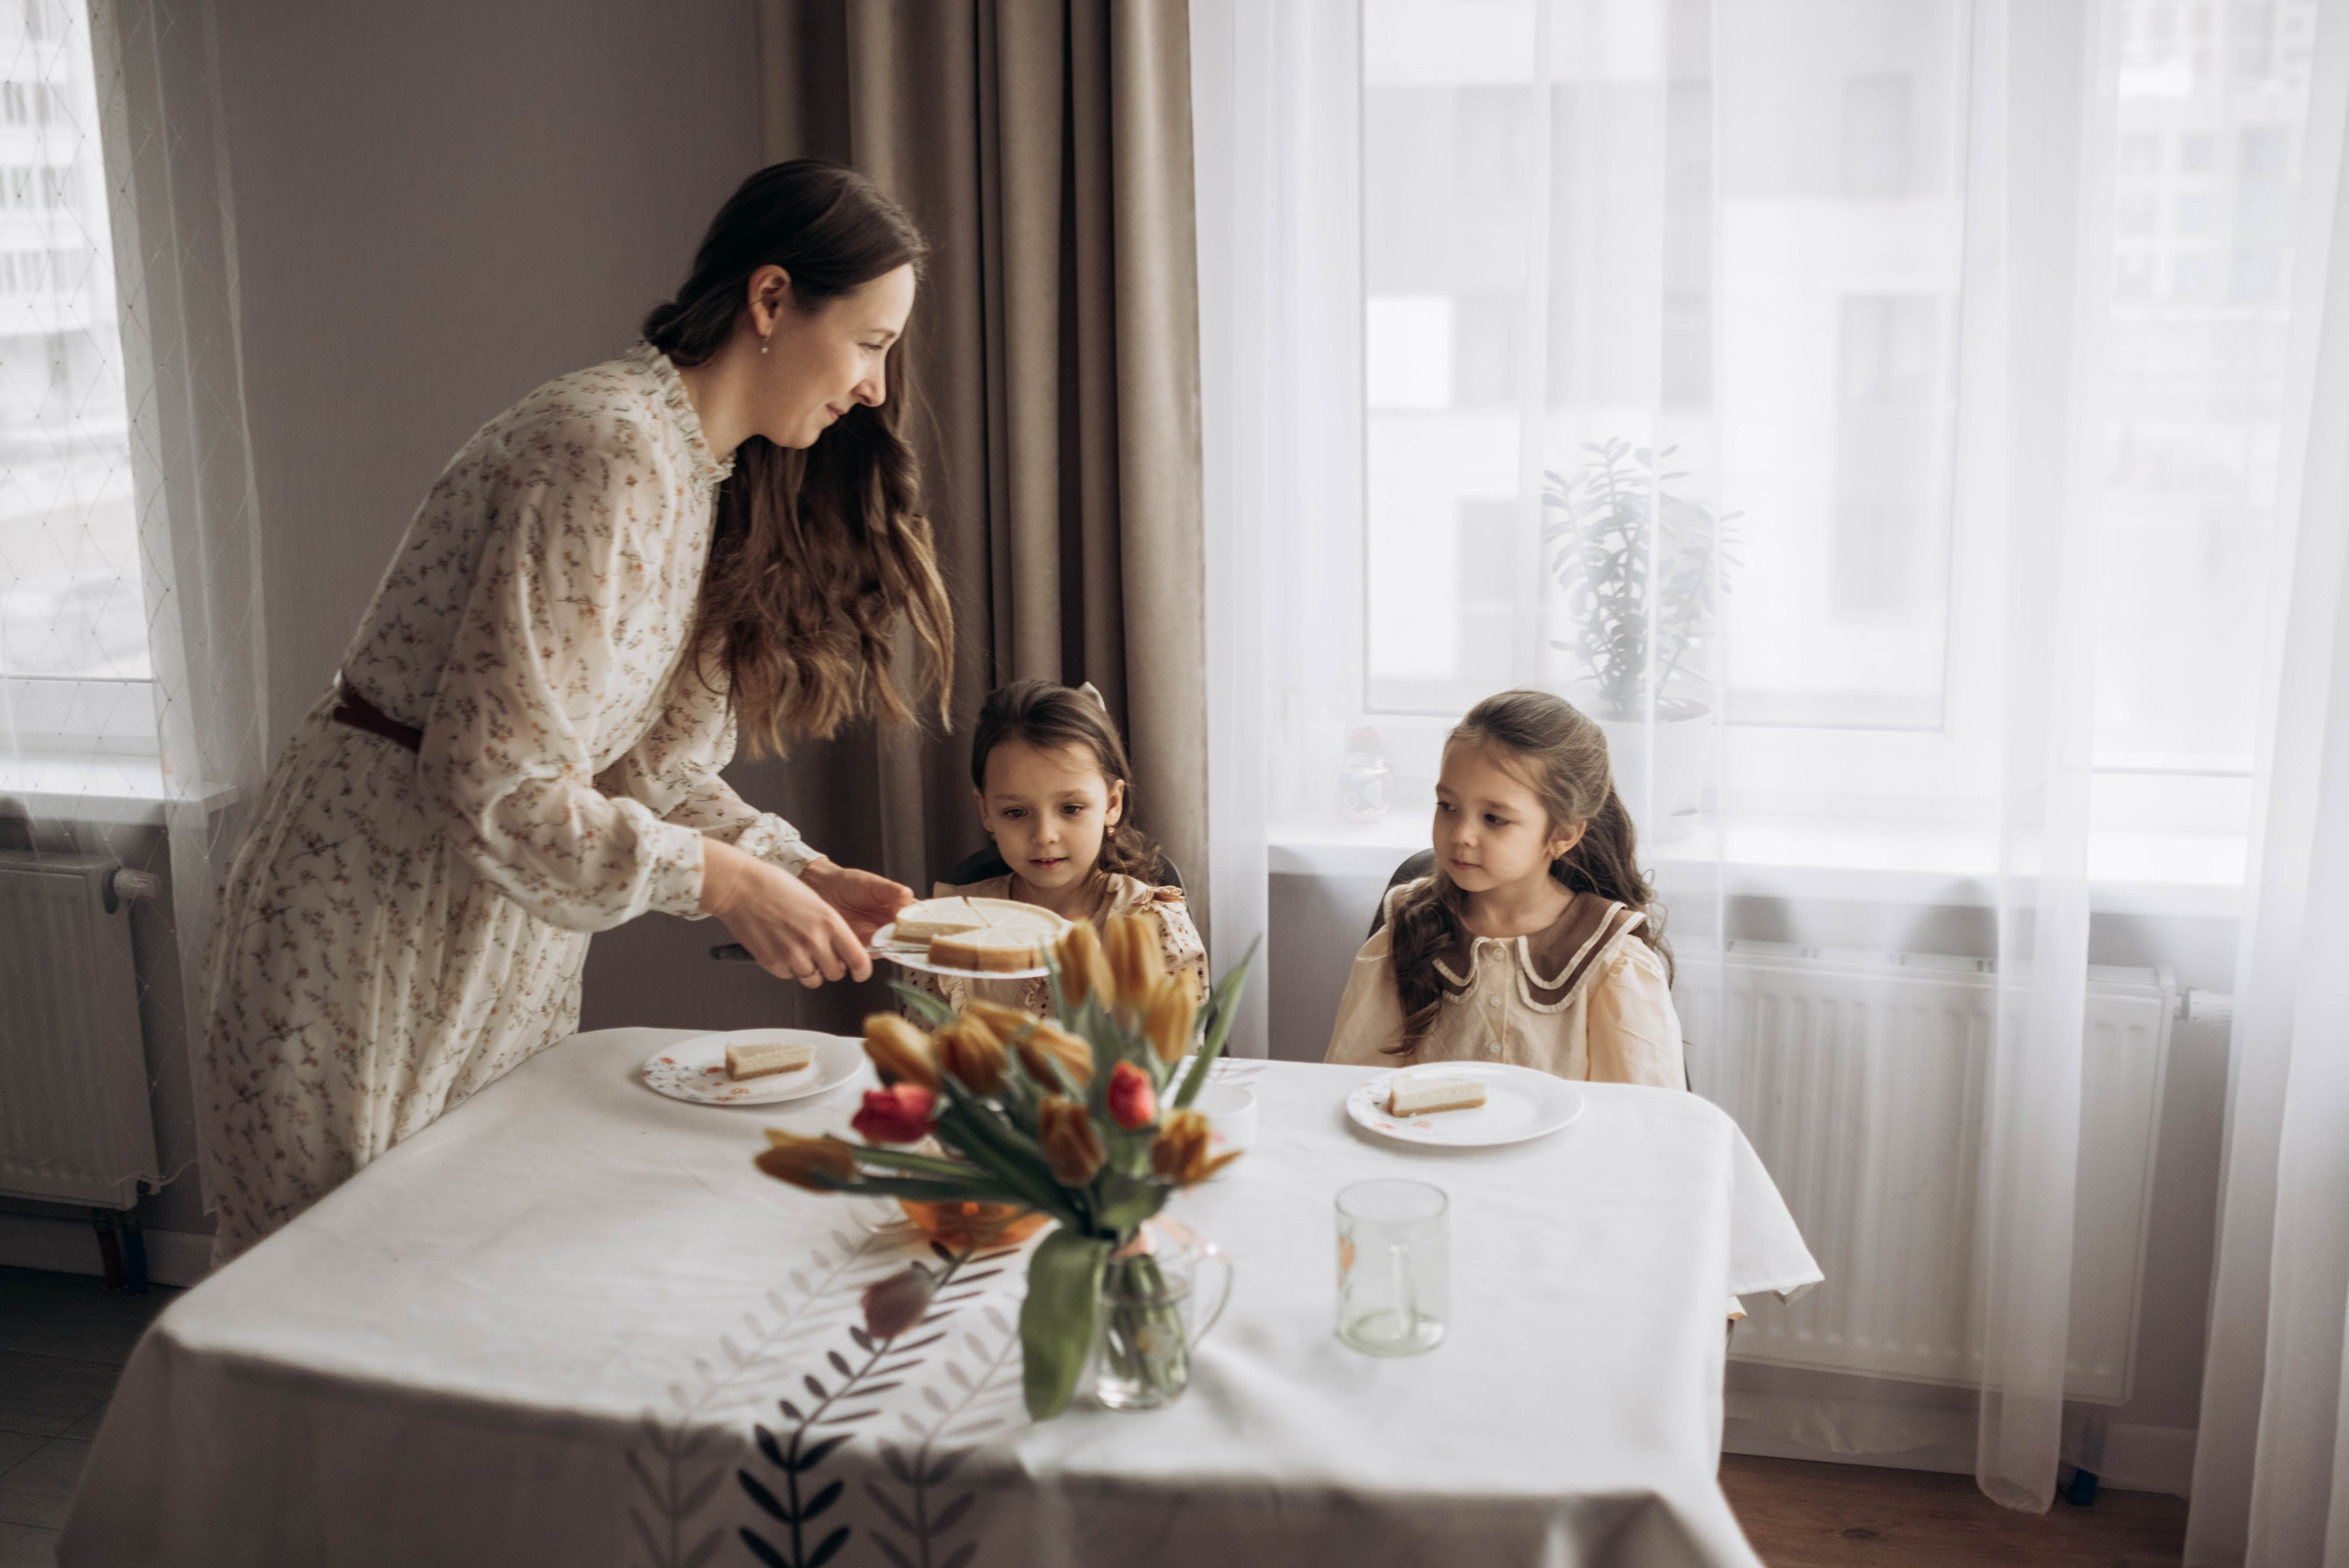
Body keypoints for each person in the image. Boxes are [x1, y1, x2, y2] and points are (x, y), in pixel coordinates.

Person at [199, 161, 952, 1263]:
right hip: (371, 911)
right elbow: (494, 781)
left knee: (455, 1273)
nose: (878, 389)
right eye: (873, 343)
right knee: (322, 1286)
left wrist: (788, 868)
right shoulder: (604, 449)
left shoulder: (708, 482)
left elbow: (650, 769)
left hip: (503, 937)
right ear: (773, 298)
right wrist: (724, 882)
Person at [1323, 688, 1685, 1084]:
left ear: (1562, 835)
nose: (1461, 834)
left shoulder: (1611, 961)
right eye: (1447, 806)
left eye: (1494, 818)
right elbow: (1353, 1087)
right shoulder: (1406, 931)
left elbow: (1642, 1117)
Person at [906, 680, 1206, 1017]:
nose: (1045, 835)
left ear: (1112, 803)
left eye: (1071, 808)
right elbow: (922, 1056)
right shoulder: (948, 929)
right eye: (1016, 813)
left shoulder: (1154, 926)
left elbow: (1177, 1060)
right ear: (985, 811)